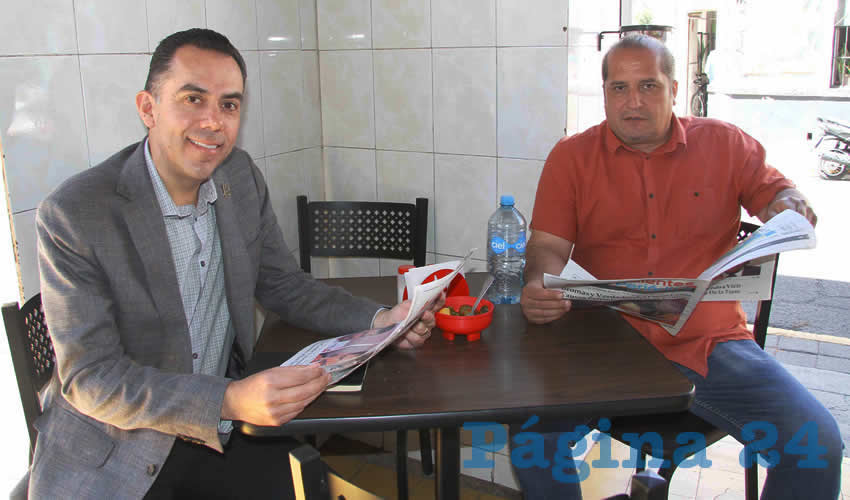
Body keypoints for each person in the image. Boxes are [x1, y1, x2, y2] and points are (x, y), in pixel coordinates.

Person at [31, 28, 441, 499]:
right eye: (192, 98)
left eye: (229, 104)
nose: (213, 122)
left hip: (223, 436)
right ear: (148, 108)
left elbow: (284, 285)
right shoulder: (76, 213)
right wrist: (227, 399)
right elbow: (91, 378)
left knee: (308, 485)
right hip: (117, 452)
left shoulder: (239, 177)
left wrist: (380, 321)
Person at [514, 35, 841, 499]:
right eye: (619, 88)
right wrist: (538, 283)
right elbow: (547, 244)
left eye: (648, 86)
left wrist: (789, 205)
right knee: (532, 442)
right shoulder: (572, 157)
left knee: (818, 445)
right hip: (602, 342)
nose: (633, 102)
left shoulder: (726, 144)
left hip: (709, 346)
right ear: (604, 93)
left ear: (674, 88)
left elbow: (777, 194)